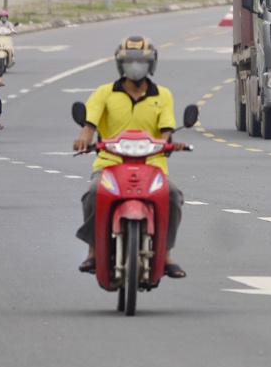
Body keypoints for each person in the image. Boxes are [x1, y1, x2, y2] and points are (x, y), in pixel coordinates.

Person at [72, 36, 186, 278]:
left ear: (151, 63)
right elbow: (89, 124)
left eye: (141, 61)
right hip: (109, 164)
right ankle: (93, 252)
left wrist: (171, 144)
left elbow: (167, 131)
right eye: (130, 61)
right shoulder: (104, 93)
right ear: (120, 63)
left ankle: (165, 255)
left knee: (173, 195)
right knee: (94, 193)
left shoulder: (163, 95)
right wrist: (83, 139)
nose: (136, 66)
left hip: (152, 165)